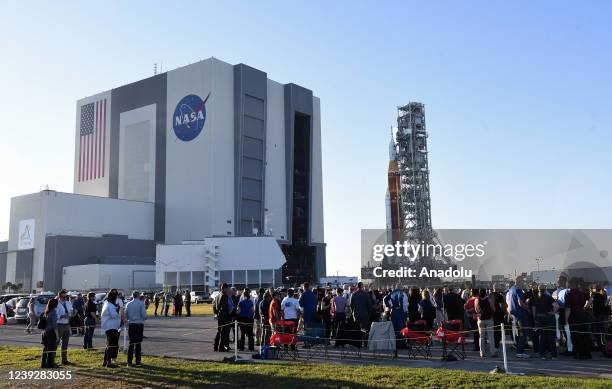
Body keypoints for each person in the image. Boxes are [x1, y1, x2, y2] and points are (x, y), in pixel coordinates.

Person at [565, 278, 592, 359]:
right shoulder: (582, 293)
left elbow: (568, 309)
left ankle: (579, 353)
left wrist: (566, 320)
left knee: (576, 336)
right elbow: (591, 299)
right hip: (582, 315)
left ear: (571, 284)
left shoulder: (569, 294)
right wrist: (585, 307)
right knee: (584, 335)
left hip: (574, 317)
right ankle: (587, 353)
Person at [531, 284, 557, 359]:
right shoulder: (549, 297)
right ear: (545, 289)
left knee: (542, 337)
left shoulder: (535, 298)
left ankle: (542, 355)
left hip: (539, 319)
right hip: (548, 318)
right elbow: (556, 306)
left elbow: (533, 310)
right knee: (551, 337)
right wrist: (553, 312)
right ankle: (554, 355)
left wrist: (535, 319)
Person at [506, 277, 531, 358]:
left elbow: (509, 302)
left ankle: (518, 348)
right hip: (520, 314)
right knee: (523, 332)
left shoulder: (511, 289)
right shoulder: (518, 290)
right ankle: (520, 351)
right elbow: (520, 303)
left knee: (518, 332)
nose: (524, 283)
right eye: (523, 281)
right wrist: (528, 308)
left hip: (514, 314)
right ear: (519, 281)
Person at [125, 291, 147, 366]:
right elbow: (144, 315)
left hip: (131, 324)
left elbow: (126, 315)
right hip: (139, 325)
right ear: (138, 296)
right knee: (138, 344)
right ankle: (138, 361)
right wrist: (144, 318)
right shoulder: (141, 303)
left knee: (131, 343)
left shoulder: (128, 303)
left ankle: (129, 362)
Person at [475, 288, 498, 359]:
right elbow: (494, 309)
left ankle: (482, 353)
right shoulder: (489, 299)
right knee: (491, 337)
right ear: (486, 293)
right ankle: (493, 352)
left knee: (481, 337)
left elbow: (476, 310)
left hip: (480, 320)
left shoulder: (476, 300)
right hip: (489, 319)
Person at [101, 290, 121, 368]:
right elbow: (113, 315)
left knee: (108, 344)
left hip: (110, 327)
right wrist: (117, 309)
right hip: (111, 327)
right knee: (111, 345)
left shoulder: (107, 304)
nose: (116, 298)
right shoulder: (110, 305)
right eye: (116, 297)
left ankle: (105, 361)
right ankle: (109, 362)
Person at [349, 282, 372, 347]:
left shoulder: (353, 294)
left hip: (356, 314)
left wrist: (352, 313)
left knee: (357, 329)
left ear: (357, 286)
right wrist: (369, 313)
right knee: (364, 328)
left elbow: (351, 305)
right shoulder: (366, 294)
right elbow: (369, 305)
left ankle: (358, 343)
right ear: (362, 286)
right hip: (365, 314)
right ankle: (365, 343)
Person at [55, 289, 73, 365]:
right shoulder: (56, 303)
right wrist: (61, 316)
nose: (65, 298)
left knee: (65, 343)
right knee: (56, 342)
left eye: (66, 297)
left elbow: (71, 311)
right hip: (59, 324)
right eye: (63, 297)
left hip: (66, 324)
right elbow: (54, 315)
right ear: (59, 296)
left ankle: (64, 360)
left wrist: (73, 312)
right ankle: (52, 360)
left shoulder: (68, 303)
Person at [214, 284, 234, 352]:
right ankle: (221, 347)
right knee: (224, 332)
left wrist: (216, 313)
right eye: (227, 288)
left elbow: (214, 306)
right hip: (225, 316)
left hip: (219, 316)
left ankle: (215, 346)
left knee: (219, 331)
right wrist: (230, 312)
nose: (228, 289)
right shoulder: (224, 295)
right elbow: (225, 307)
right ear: (224, 288)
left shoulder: (217, 296)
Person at [41, 297, 59, 368]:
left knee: (45, 348)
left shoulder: (46, 311)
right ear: (55, 304)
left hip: (45, 332)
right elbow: (54, 325)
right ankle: (50, 364)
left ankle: (43, 363)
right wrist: (57, 336)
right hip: (51, 332)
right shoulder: (53, 312)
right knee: (51, 349)